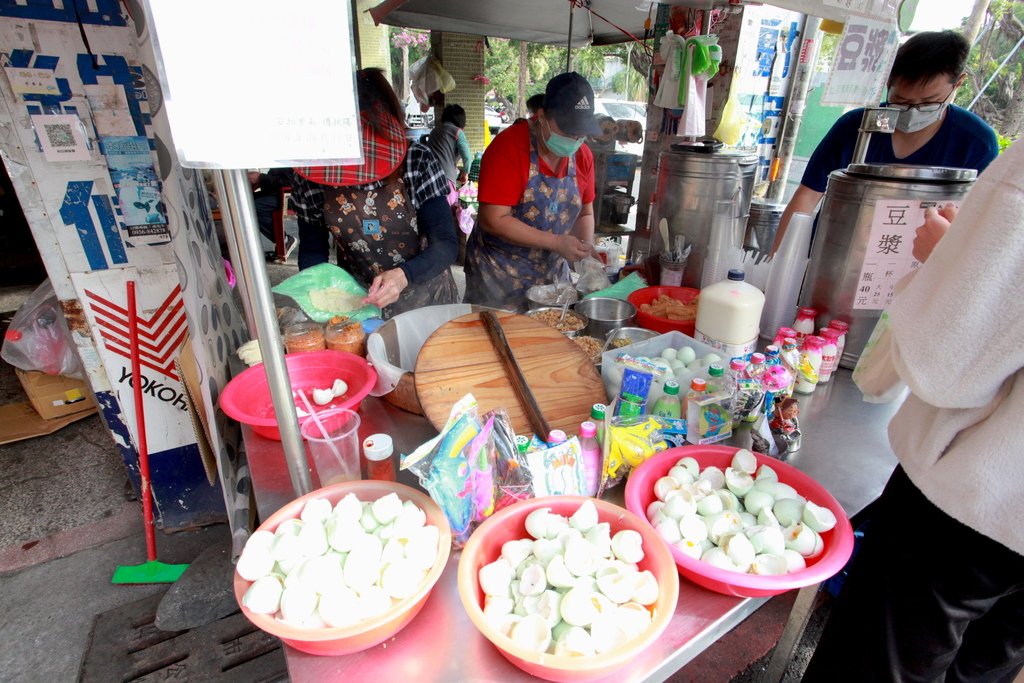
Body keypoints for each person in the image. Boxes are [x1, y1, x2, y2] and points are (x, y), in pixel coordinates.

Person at [804, 141, 1024, 681]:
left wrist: (942, 262)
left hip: (975, 496)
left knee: (879, 666)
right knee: (981, 670)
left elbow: (949, 360)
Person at [771, 30, 999, 255]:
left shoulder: (976, 144)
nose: (912, 112)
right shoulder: (855, 126)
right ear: (888, 81)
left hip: (910, 268)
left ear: (957, 84)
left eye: (929, 102)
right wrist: (777, 262)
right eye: (901, 101)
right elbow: (808, 195)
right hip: (833, 254)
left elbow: (977, 228)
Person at [295, 68, 458, 317]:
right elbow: (312, 249)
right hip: (357, 304)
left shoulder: (416, 160)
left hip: (427, 299)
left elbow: (445, 244)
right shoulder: (312, 177)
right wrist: (320, 291)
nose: (357, 175)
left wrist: (404, 275)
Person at [464, 72, 599, 310]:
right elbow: (493, 220)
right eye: (568, 131)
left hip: (550, 279)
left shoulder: (583, 156)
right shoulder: (509, 148)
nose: (575, 139)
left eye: (580, 133)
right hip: (499, 275)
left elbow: (585, 213)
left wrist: (584, 249)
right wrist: (557, 242)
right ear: (542, 116)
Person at [248, 168, 296, 261]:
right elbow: (274, 180)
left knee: (251, 207)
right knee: (243, 200)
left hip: (289, 196)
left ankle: (284, 240)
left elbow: (289, 182)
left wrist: (261, 178)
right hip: (275, 193)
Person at [425, 104, 472, 186]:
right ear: (461, 120)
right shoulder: (457, 132)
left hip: (429, 177)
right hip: (446, 179)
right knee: (448, 199)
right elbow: (467, 157)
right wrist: (465, 173)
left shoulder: (434, 131)